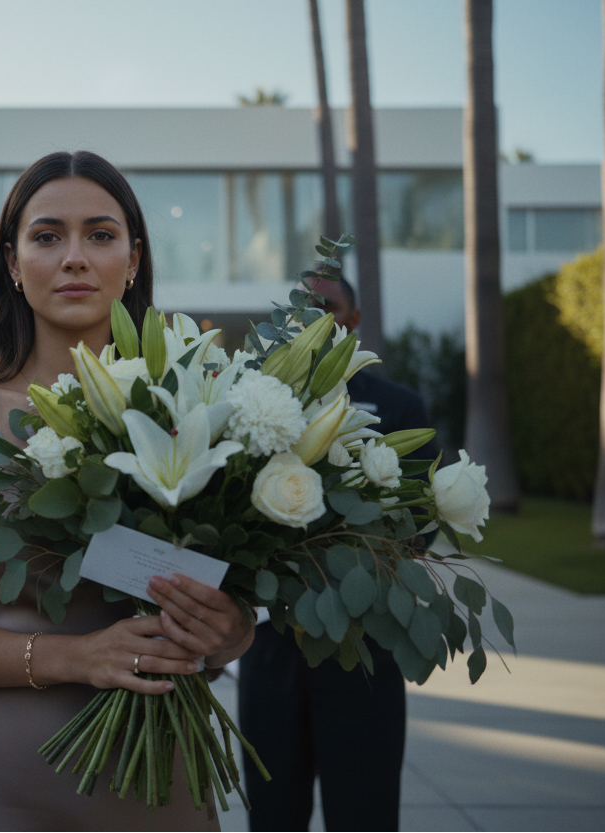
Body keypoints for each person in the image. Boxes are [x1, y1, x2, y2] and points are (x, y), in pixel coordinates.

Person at [0, 151, 255, 832]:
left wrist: (229, 631)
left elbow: (227, 611)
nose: (74, 258)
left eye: (99, 234)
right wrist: (76, 656)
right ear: (13, 262)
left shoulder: (204, 410)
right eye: (46, 236)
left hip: (163, 790)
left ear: (133, 258)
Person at [236, 273, 439, 833]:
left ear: (352, 319)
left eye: (326, 305)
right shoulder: (254, 401)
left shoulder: (399, 407)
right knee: (272, 816)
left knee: (364, 813)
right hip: (271, 648)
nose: (312, 315)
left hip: (362, 648)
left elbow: (420, 525)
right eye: (301, 305)